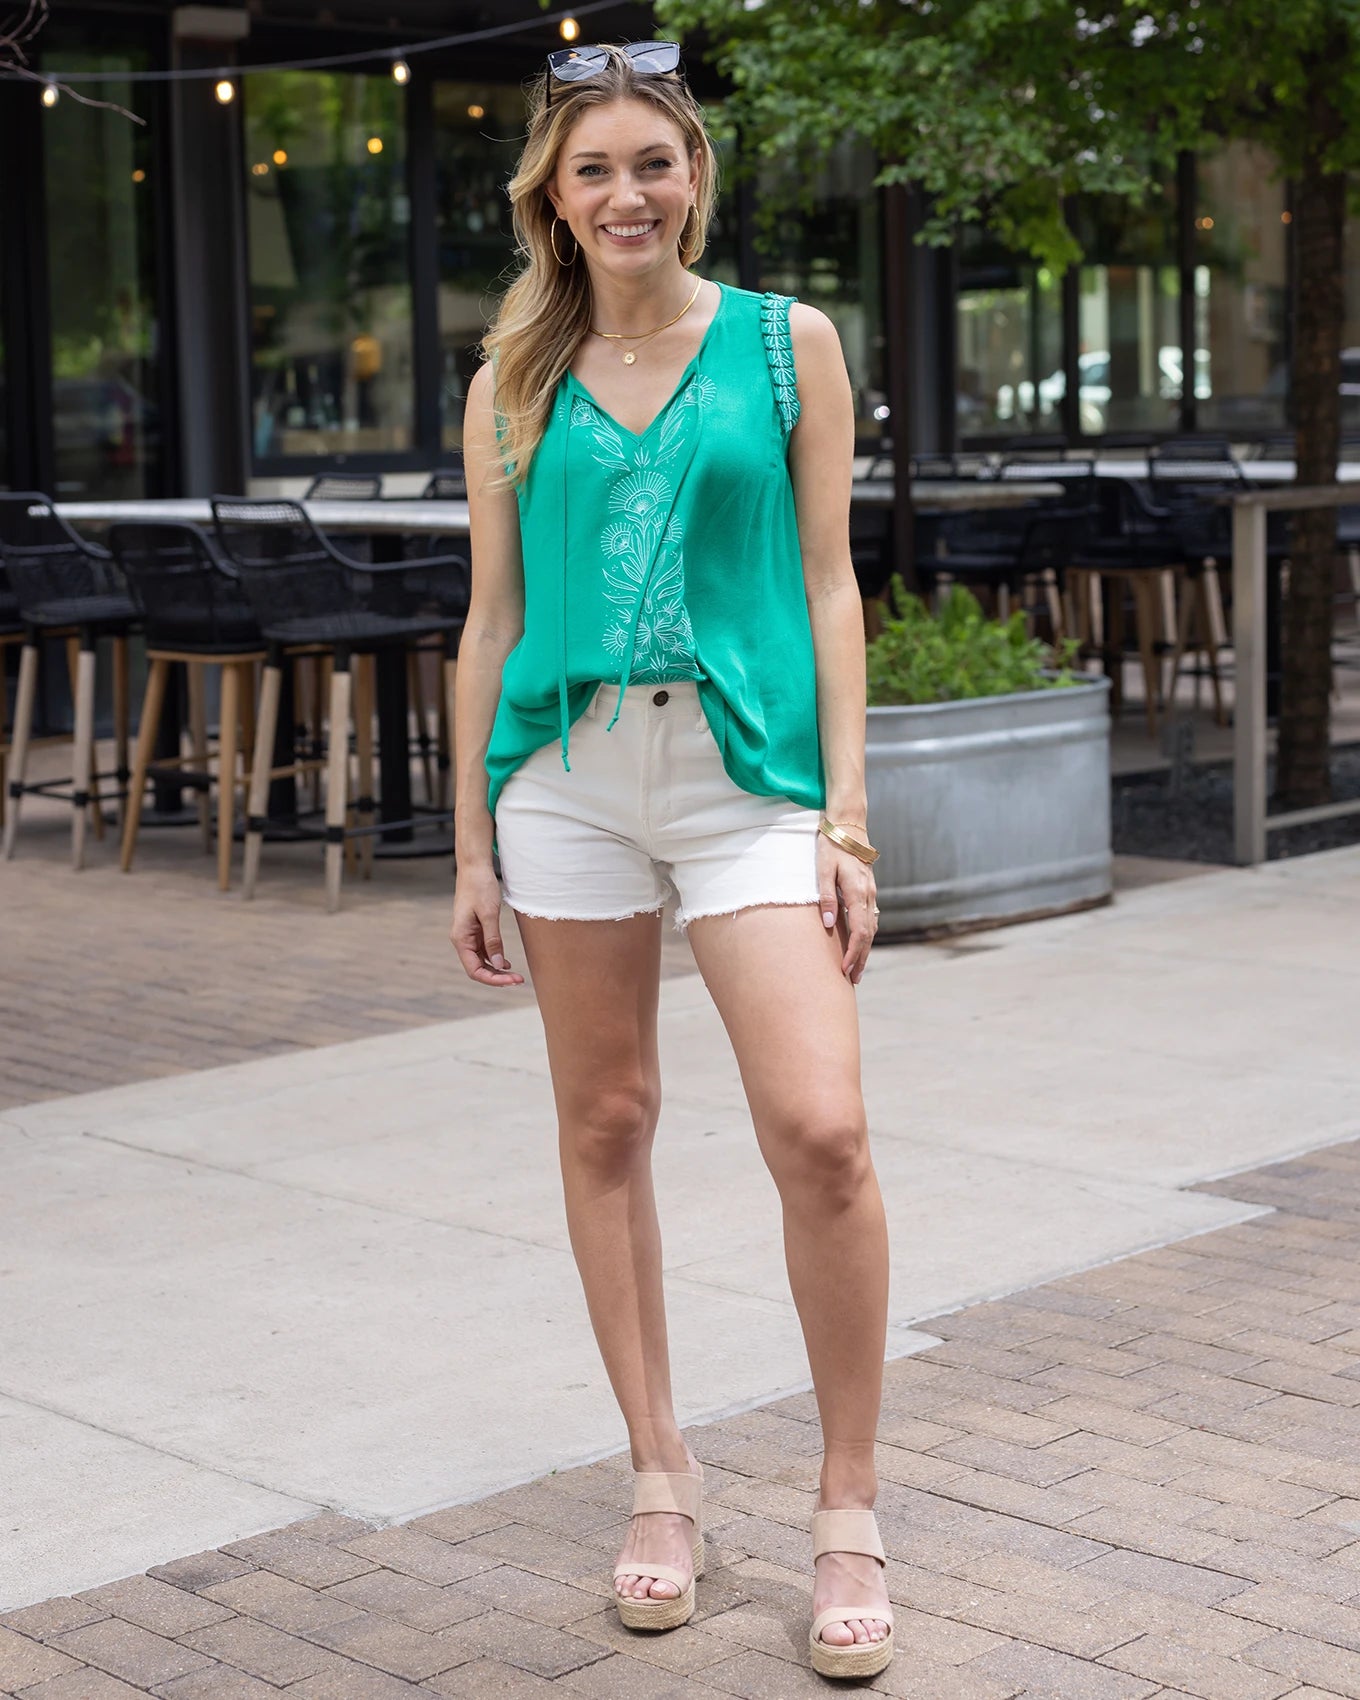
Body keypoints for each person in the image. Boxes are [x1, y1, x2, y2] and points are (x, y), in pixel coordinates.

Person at [449, 40, 893, 1681]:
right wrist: (473, 845)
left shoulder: (789, 346)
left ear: (693, 175)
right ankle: (662, 1477)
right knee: (608, 1117)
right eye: (593, 170)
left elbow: (835, 587)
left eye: (653, 162)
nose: (626, 193)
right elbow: (490, 617)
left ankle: (848, 1505)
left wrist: (846, 817)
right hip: (565, 780)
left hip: (745, 778)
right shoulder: (512, 380)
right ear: (552, 201)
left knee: (823, 1130)